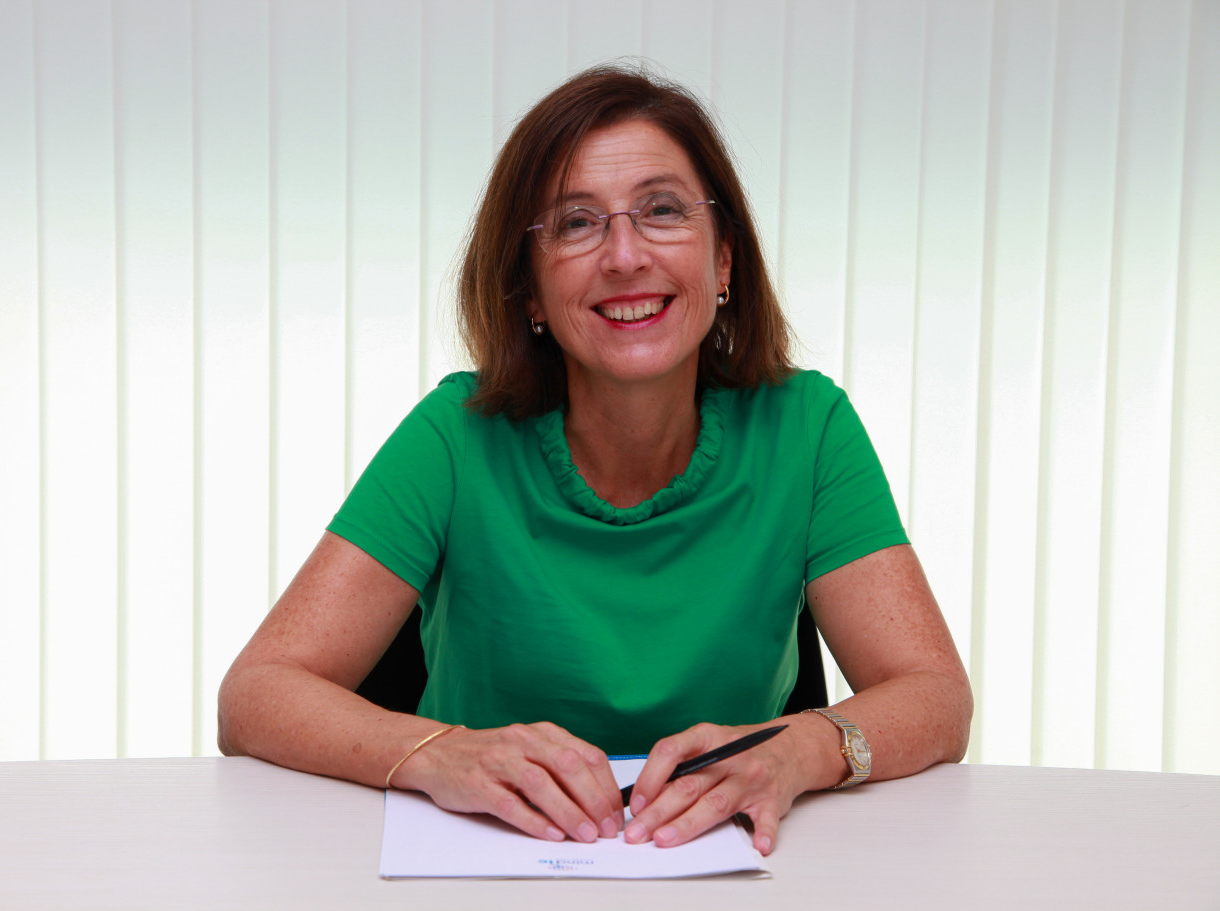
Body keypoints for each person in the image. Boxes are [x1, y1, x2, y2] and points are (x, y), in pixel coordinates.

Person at [218, 63, 972, 855]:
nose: (624, 255)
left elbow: (935, 694)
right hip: (482, 869)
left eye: (663, 210)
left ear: (723, 261)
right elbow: (255, 694)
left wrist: (802, 749)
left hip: (725, 873)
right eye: (576, 223)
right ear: (530, 293)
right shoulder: (455, 434)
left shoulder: (808, 427)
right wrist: (437, 752)